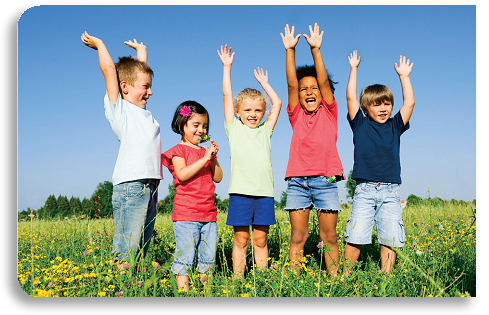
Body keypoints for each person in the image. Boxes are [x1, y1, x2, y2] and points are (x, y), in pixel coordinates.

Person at [81, 32, 162, 270]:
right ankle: (121, 291)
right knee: (127, 247)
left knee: (141, 246)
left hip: (150, 185)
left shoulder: (143, 113)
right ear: (124, 87)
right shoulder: (120, 111)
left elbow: (139, 73)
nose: (150, 92)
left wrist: (142, 53)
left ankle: (134, 289)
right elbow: (109, 70)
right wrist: (100, 45)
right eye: (145, 87)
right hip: (131, 185)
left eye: (150, 86)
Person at [280, 23, 344, 276]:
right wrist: (290, 51)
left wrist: (316, 49)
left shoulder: (329, 111)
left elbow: (324, 81)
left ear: (323, 93)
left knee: (329, 235)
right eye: (305, 88)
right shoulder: (295, 113)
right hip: (297, 181)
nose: (309, 91)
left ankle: (335, 280)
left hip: (326, 179)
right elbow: (291, 86)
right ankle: (295, 281)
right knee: (298, 235)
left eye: (314, 88)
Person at [343, 50, 414, 275]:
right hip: (364, 190)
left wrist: (404, 76)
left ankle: (386, 277)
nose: (383, 109)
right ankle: (345, 276)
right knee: (356, 235)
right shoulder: (360, 124)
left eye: (386, 104)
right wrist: (353, 69)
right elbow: (351, 98)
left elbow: (410, 103)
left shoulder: (395, 125)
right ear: (366, 109)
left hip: (391, 191)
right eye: (376, 105)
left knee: (390, 236)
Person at [217, 44, 282, 277]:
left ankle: (262, 280)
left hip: (264, 193)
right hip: (241, 194)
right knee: (241, 239)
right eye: (247, 110)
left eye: (258, 110)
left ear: (263, 112)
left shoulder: (266, 131)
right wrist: (227, 67)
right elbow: (227, 94)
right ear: (237, 111)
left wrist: (265, 85)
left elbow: (278, 104)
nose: (253, 114)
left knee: (260, 239)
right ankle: (237, 279)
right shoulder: (233, 129)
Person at [161, 101, 223, 291]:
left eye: (204, 126)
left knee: (207, 258)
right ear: (182, 125)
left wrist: (212, 159)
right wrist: (204, 158)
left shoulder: (205, 152)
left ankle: (206, 292)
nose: (201, 130)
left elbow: (218, 178)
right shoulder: (178, 151)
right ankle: (184, 294)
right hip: (186, 215)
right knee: (185, 257)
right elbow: (182, 174)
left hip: (208, 214)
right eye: (195, 125)